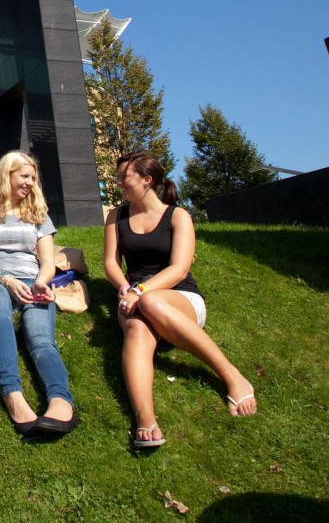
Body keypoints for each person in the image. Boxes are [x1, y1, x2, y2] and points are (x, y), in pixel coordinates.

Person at [103, 151, 257, 449]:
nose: (119, 182)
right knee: (135, 328)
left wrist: (140, 291)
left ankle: (232, 376)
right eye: (118, 176)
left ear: (147, 180)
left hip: (178, 297)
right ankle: (145, 419)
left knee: (150, 302)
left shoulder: (178, 216)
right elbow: (111, 262)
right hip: (133, 296)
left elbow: (179, 268)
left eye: (125, 177)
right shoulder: (116, 216)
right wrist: (124, 288)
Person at [0, 151, 78, 437]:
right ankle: (11, 392)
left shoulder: (38, 214)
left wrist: (41, 283)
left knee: (40, 340)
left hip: (32, 281)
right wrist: (5, 280)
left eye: (33, 178)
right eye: (24, 176)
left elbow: (48, 262)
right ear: (7, 175)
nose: (30, 182)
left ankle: (61, 400)